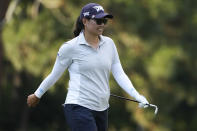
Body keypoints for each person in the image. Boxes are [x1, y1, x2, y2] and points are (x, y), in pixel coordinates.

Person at [27, 3, 149, 131]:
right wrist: (37, 94)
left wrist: (136, 95)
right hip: (78, 106)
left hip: (102, 108)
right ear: (85, 21)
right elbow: (54, 75)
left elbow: (119, 73)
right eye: (98, 20)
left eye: (104, 20)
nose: (102, 24)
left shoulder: (109, 44)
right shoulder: (70, 47)